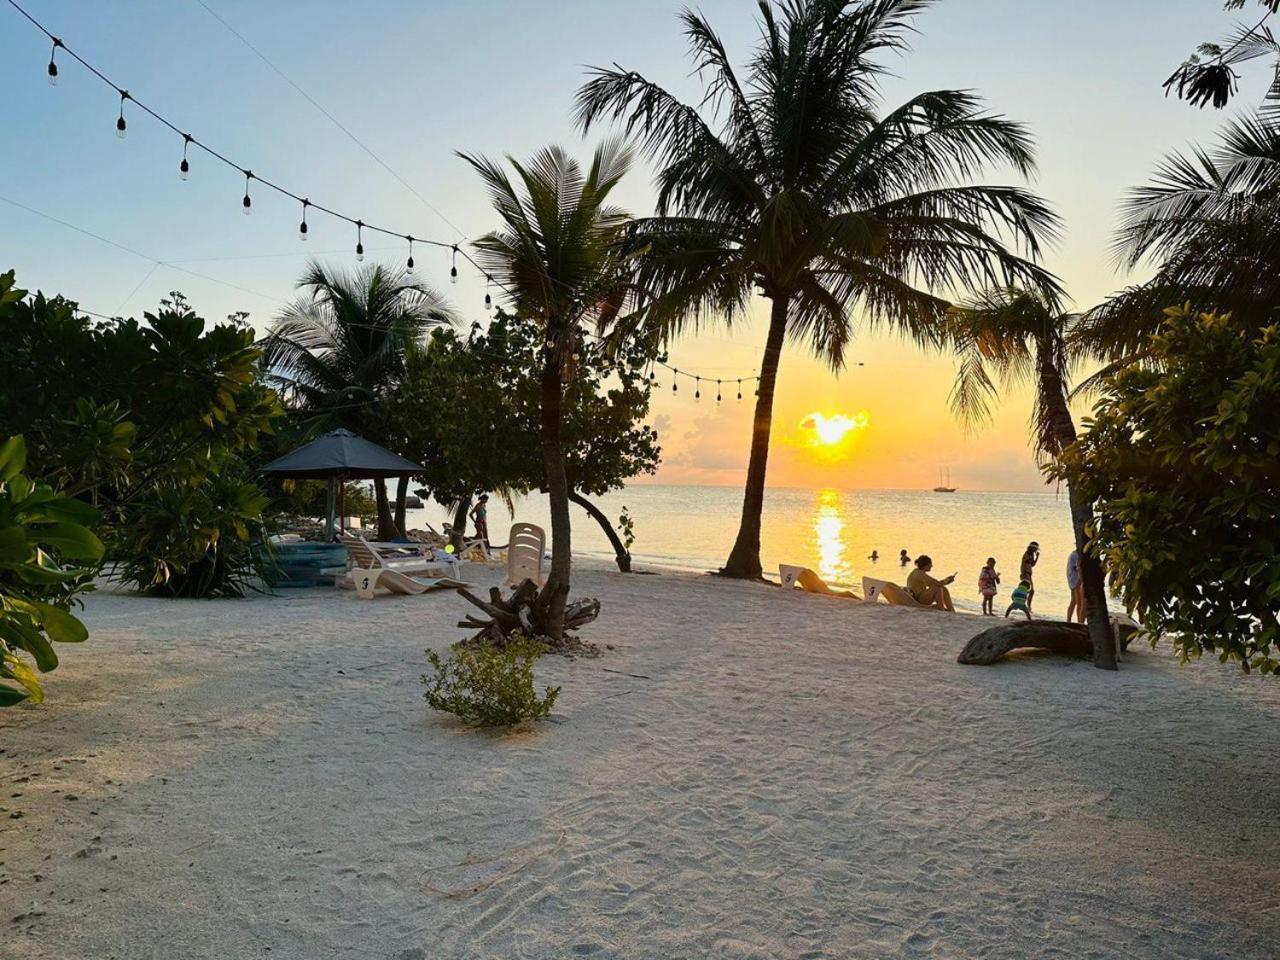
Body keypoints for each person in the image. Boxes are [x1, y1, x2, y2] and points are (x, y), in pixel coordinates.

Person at [1066, 549, 1087, 623]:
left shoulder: (1074, 554)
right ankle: (1079, 621)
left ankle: (1069, 620)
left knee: (1074, 601)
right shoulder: (1075, 555)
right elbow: (1077, 568)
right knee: (1079, 603)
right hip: (1076, 581)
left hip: (1074, 580)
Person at [1019, 541, 1040, 614]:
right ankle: (1026, 605)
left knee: (1029, 590)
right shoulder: (1027, 554)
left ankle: (1027, 605)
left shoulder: (1030, 554)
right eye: (1035, 549)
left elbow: (1033, 564)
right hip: (1025, 573)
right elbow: (1029, 563)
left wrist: (1037, 557)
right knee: (1029, 590)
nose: (1036, 550)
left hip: (1028, 574)